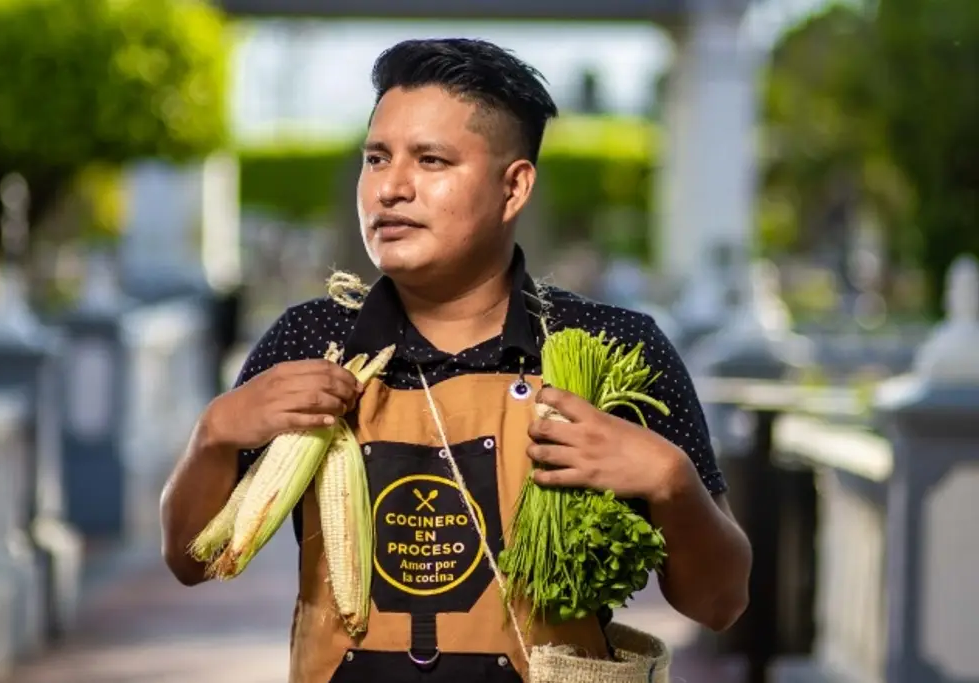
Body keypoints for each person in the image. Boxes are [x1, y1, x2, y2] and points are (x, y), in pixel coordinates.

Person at [160, 38, 751, 683]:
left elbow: (720, 604)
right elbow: (190, 562)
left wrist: (671, 481)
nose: (391, 188)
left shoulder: (612, 347)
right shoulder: (312, 338)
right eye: (376, 158)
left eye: (432, 160)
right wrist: (216, 432)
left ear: (514, 186)